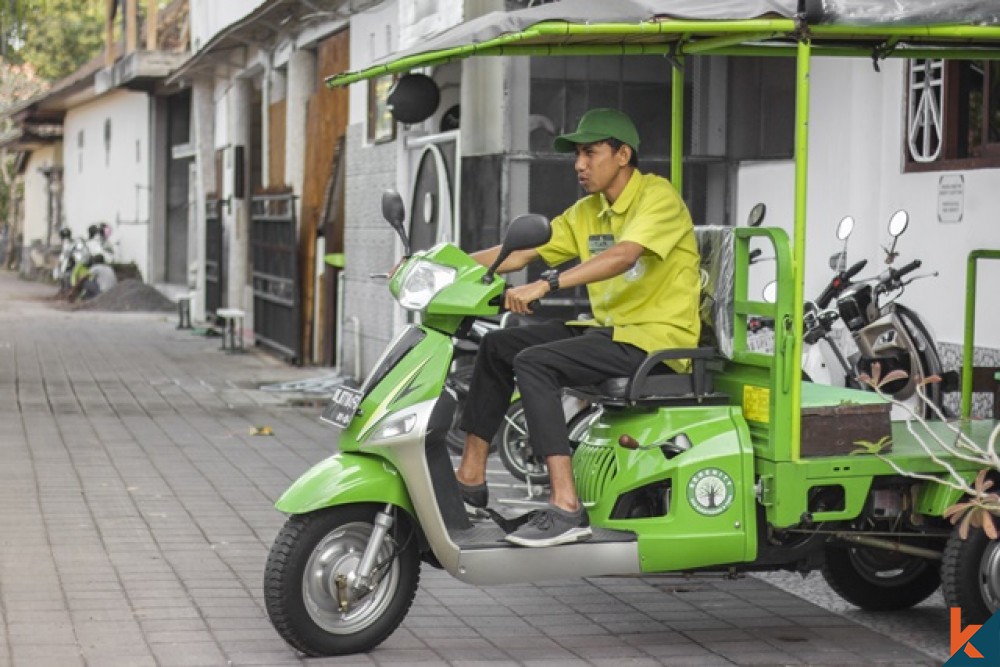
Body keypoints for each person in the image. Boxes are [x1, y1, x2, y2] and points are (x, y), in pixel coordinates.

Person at [448, 108, 702, 548]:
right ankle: (469, 479)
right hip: (608, 332)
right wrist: (441, 266)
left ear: (623, 155)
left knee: (535, 364)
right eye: (577, 155)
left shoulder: (657, 198)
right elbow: (521, 253)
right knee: (498, 345)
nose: (579, 165)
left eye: (590, 153)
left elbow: (623, 256)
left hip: (655, 339)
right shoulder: (588, 211)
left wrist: (548, 283)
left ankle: (566, 505)